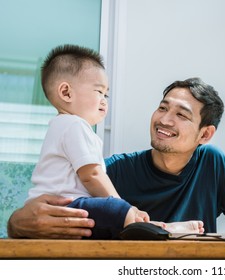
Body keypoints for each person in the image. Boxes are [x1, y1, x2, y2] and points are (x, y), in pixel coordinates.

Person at [7, 76, 225, 239]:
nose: (164, 119)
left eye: (182, 115)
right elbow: (53, 203)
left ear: (205, 134)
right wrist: (17, 223)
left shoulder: (212, 163)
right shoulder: (114, 170)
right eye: (162, 108)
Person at [22, 44, 203, 239]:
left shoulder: (63, 126)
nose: (104, 100)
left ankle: (157, 227)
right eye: (99, 92)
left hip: (65, 208)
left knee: (113, 222)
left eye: (106, 94)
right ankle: (161, 229)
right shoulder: (73, 125)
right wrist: (123, 206)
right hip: (65, 206)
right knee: (112, 209)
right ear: (66, 92)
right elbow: (91, 174)